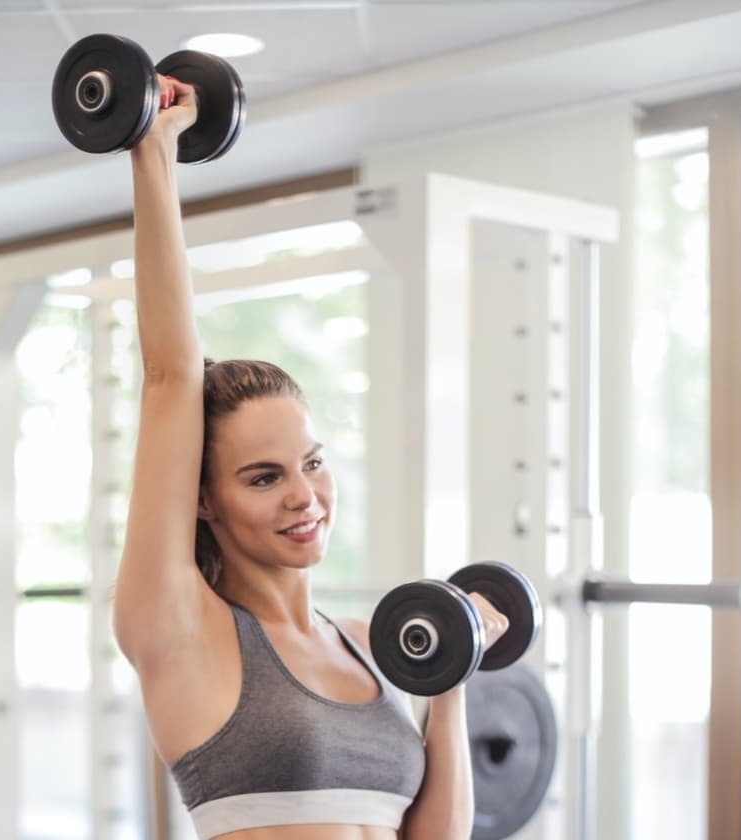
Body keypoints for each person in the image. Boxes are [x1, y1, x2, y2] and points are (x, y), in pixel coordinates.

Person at [112, 75, 510, 840]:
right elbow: (169, 375)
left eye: (312, 463)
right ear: (203, 498)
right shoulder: (181, 628)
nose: (305, 496)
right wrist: (151, 149)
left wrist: (452, 680)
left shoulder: (371, 644)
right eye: (263, 477)